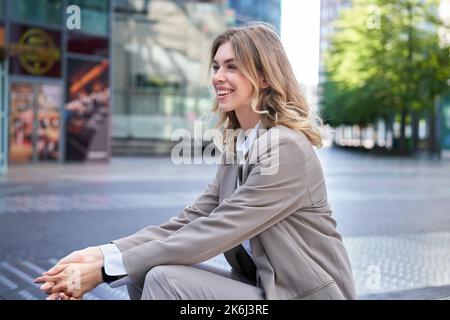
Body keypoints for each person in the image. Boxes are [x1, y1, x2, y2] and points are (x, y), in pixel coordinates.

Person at [34, 23, 356, 300]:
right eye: (216, 66)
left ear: (264, 76)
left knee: (163, 279)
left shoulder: (286, 148)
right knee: (143, 274)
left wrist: (103, 273)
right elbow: (190, 220)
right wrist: (101, 253)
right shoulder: (239, 145)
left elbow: (214, 231)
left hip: (300, 293)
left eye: (232, 66)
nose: (218, 76)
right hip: (264, 289)